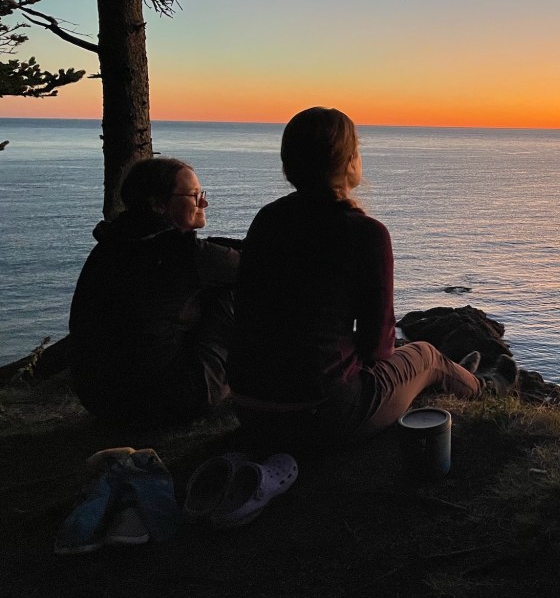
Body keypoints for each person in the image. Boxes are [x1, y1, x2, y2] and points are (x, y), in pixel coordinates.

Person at [227, 106, 516, 448]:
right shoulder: (365, 233)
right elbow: (377, 346)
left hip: (251, 409)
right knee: (424, 355)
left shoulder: (268, 219)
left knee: (402, 351)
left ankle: (456, 375)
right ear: (349, 162)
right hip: (322, 417)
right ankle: (484, 386)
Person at [69, 157, 240, 425]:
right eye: (194, 196)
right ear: (158, 204)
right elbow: (253, 266)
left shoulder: (110, 246)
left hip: (102, 402)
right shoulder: (184, 255)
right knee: (231, 293)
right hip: (162, 406)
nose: (203, 203)